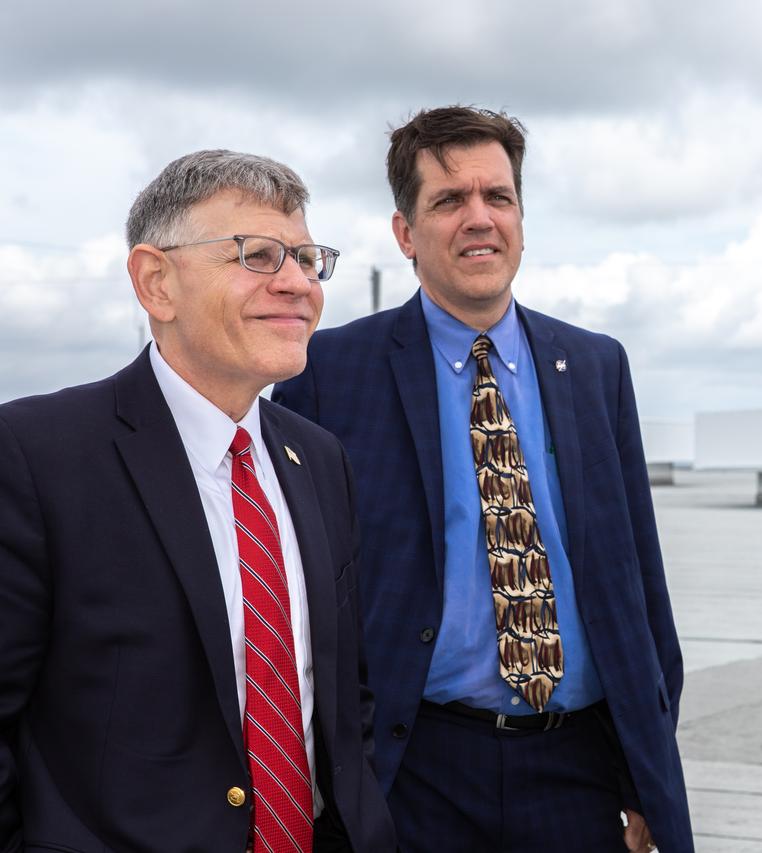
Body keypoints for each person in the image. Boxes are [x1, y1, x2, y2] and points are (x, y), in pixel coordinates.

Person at [273, 106, 693, 853]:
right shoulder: (330, 371)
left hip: (578, 770)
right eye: (449, 200)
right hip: (412, 772)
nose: (479, 219)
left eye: (497, 198)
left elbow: (640, 584)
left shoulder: (596, 366)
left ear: (522, 219)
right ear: (405, 233)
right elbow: (299, 596)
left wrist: (646, 774)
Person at [0, 150, 396, 852]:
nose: (299, 283)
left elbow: (339, 699)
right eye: (259, 255)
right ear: (157, 282)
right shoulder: (35, 455)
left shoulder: (321, 459)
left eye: (309, 258)